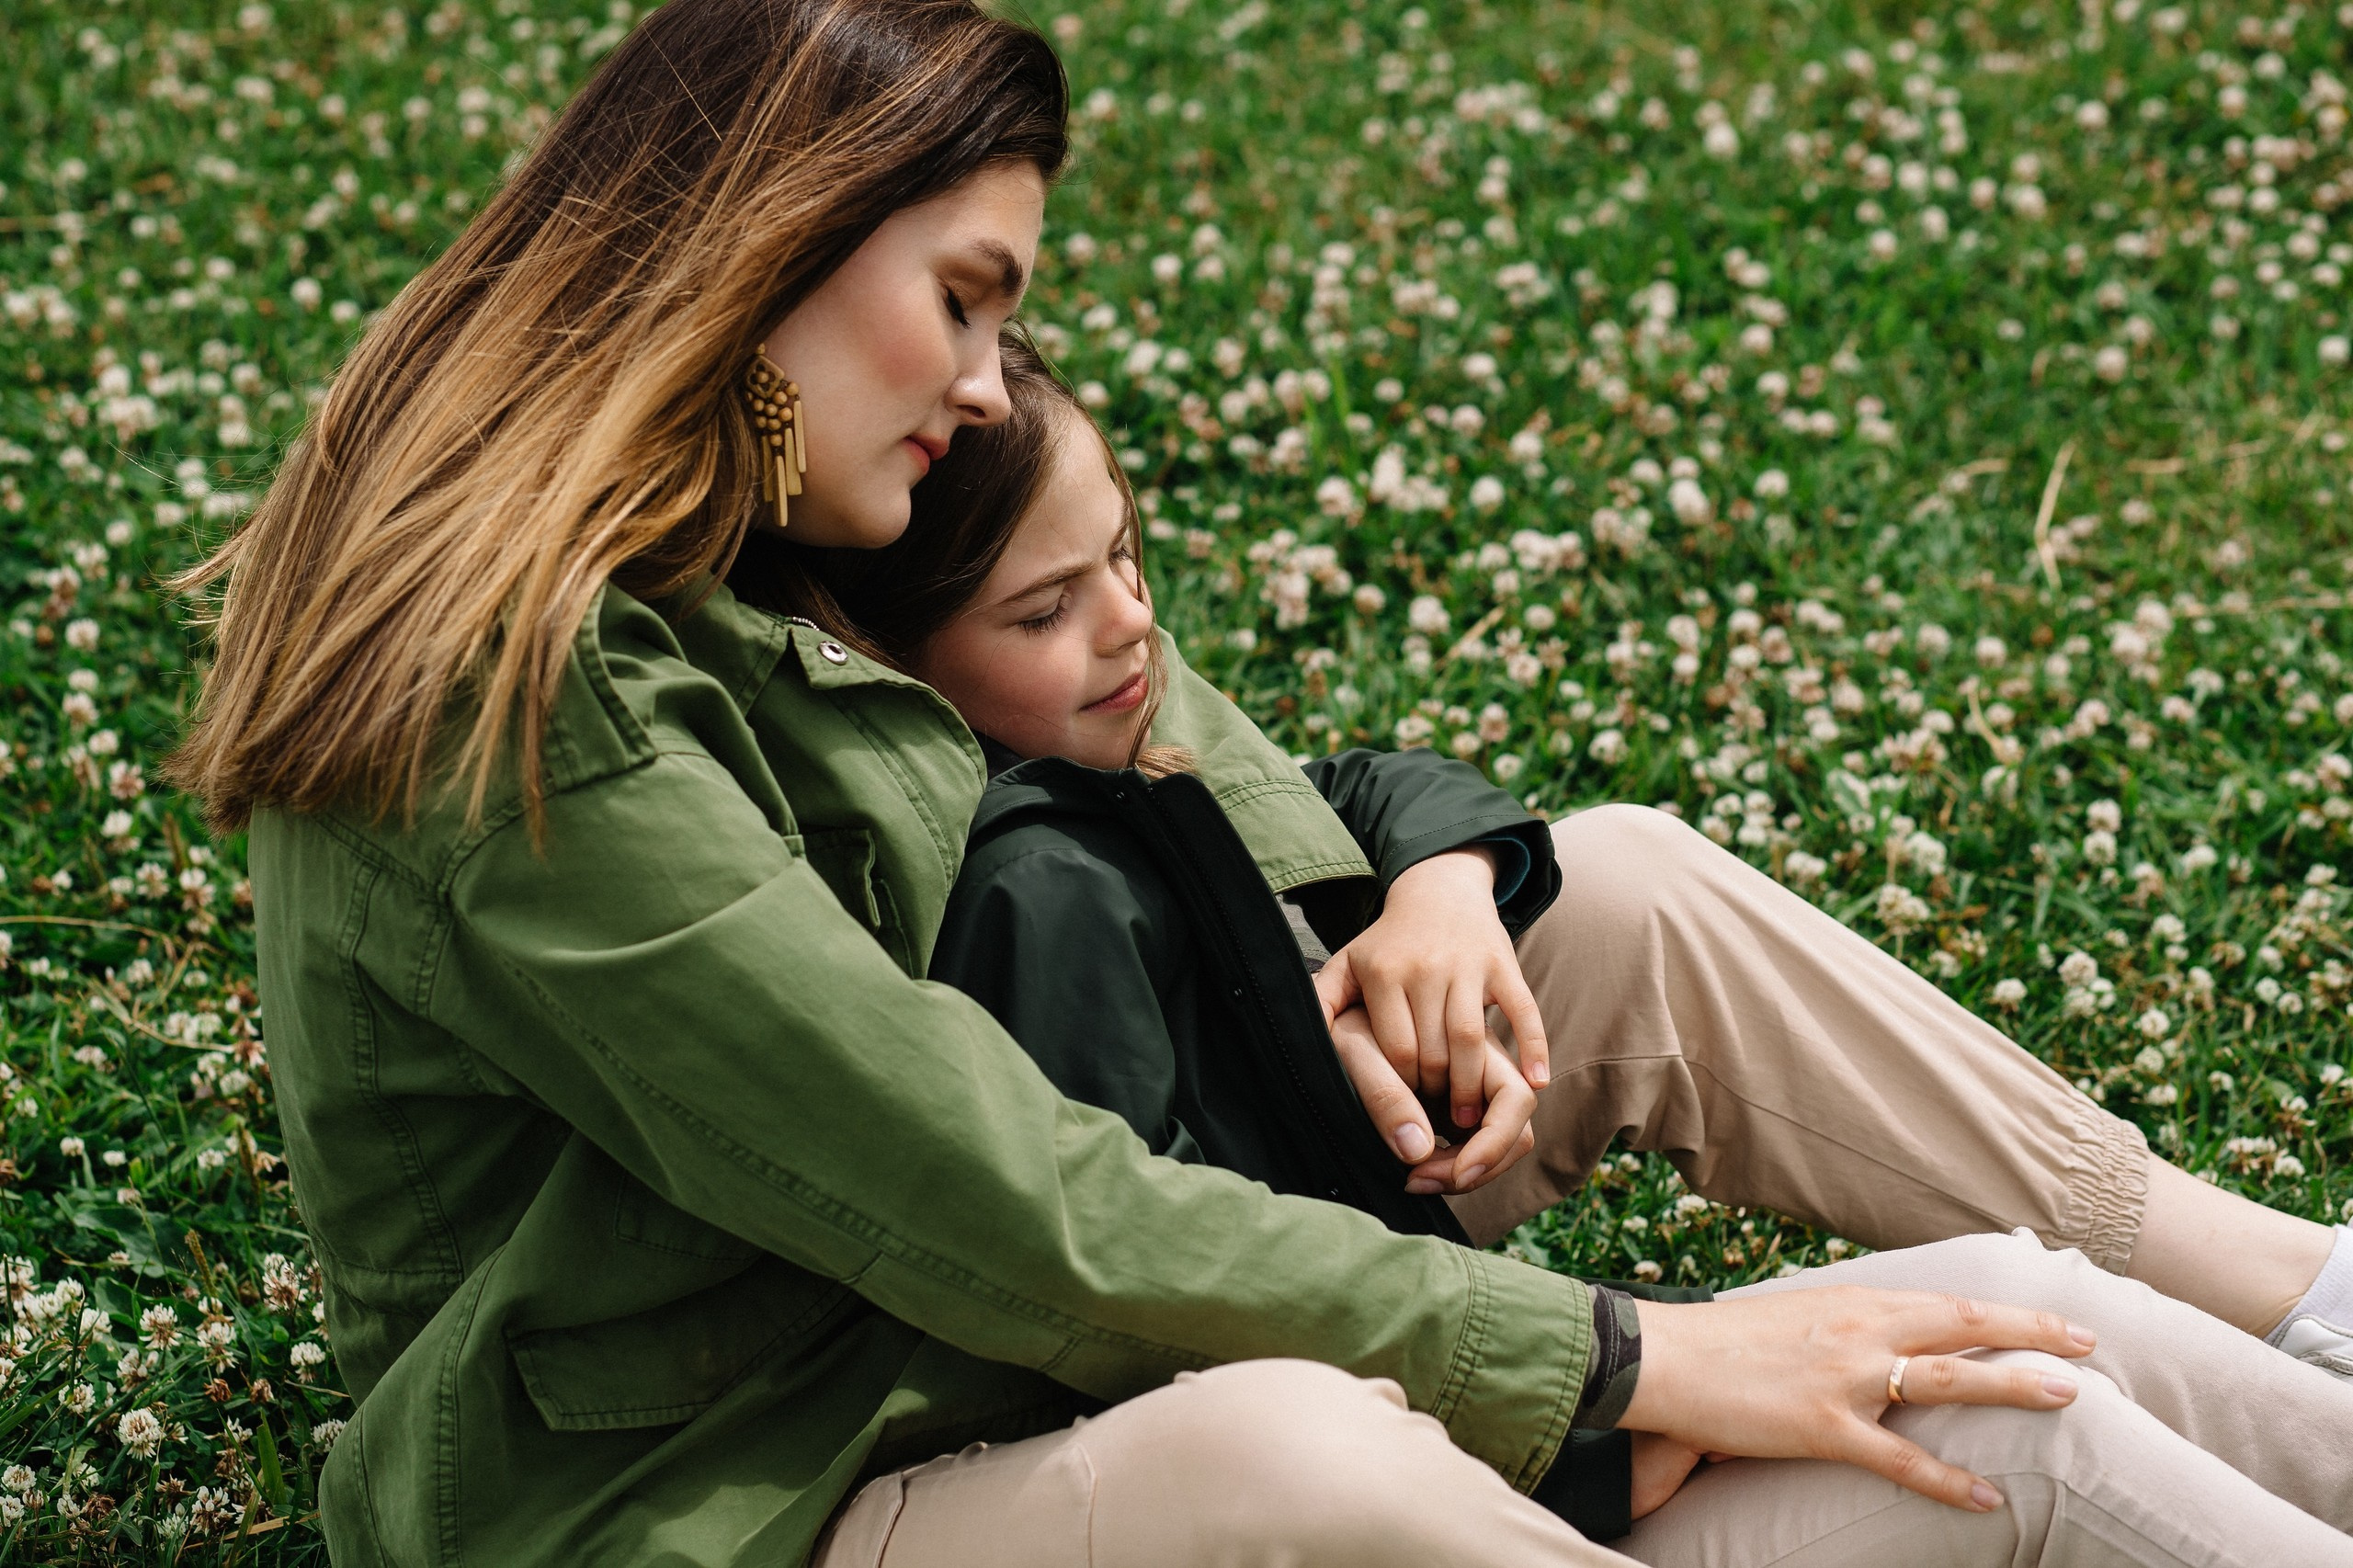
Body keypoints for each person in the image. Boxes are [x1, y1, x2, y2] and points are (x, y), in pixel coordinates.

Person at [158, 3, 2350, 1564]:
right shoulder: (518, 708)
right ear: (778, 233)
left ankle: (2292, 1296)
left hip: (1027, 1264)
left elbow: (1177, 736)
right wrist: (1604, 1364)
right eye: (966, 297)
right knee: (1323, 1450)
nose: (991, 379)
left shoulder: (753, 479)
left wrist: (1416, 894)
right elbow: (994, 1202)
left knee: (1626, 896)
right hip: (747, 1470)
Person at [804, 331, 2353, 1556]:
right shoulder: (1034, 894)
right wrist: (1607, 1410)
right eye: (1047, 609)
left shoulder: (1106, 771)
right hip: (1424, 1433)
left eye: (1128, 558)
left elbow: (1345, 796)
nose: (1132, 624)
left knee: (2018, 1307)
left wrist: (1443, 886)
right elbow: (1178, 1315)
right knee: (2031, 1404)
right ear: (900, 664)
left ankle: (2302, 1299)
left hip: (1433, 1349)